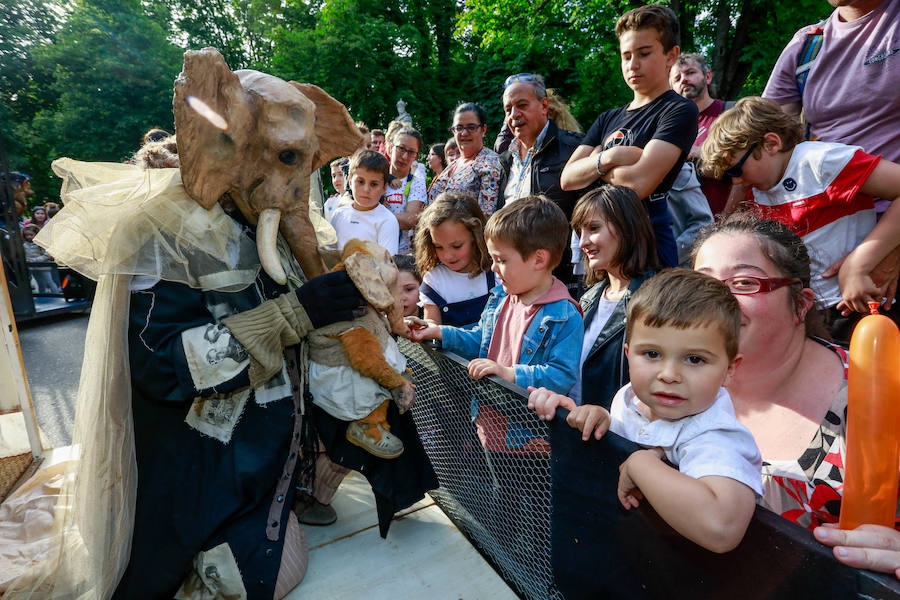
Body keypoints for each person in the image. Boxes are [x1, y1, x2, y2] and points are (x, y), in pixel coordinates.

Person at [560, 269, 762, 553]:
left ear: (729, 369)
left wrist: (640, 463)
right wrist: (602, 420)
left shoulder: (716, 435)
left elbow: (722, 528)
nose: (669, 374)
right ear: (629, 354)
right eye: (652, 354)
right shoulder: (627, 399)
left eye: (694, 359)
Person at [699, 96, 900, 343]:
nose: (736, 181)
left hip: (857, 302)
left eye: (735, 170)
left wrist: (860, 263)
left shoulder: (819, 161)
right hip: (812, 312)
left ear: (771, 143)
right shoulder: (759, 185)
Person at [560, 4, 698, 269]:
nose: (633, 65)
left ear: (671, 55)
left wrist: (594, 166)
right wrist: (612, 156)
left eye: (644, 53)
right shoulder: (608, 117)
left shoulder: (679, 109)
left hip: (646, 235)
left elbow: (638, 184)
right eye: (626, 56)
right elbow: (567, 179)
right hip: (599, 238)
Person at [410, 195, 583, 394]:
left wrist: (509, 374)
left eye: (501, 260)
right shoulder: (500, 297)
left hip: (524, 424)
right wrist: (439, 332)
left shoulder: (564, 315)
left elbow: (561, 376)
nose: (493, 267)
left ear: (539, 259)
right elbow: (480, 339)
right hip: (486, 415)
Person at [566, 185, 660, 408]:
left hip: (619, 438)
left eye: (594, 228)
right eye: (581, 232)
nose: (583, 243)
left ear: (627, 227)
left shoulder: (660, 300)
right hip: (575, 433)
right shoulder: (587, 299)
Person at [497, 72, 587, 285]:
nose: (514, 115)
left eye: (522, 105)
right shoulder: (504, 161)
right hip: (515, 279)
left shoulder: (575, 149)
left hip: (563, 280)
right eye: (508, 109)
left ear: (544, 106)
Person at [670, 52, 744, 217]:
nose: (684, 79)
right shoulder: (670, 127)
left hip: (730, 223)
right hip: (684, 229)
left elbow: (747, 173)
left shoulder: (732, 113)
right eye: (677, 78)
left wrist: (702, 153)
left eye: (690, 73)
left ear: (707, 76)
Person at [415, 192, 494, 326]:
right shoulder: (434, 281)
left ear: (476, 237)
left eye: (457, 246)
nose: (448, 255)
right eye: (438, 247)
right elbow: (432, 323)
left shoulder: (496, 272)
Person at [427, 103, 502, 216]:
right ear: (453, 131)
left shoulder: (489, 164)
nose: (464, 133)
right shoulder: (453, 165)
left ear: (483, 130)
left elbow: (486, 216)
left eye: (471, 127)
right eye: (459, 128)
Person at [330, 150, 400, 255]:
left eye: (374, 184)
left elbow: (387, 266)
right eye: (360, 182)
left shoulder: (387, 221)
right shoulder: (338, 214)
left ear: (384, 188)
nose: (366, 189)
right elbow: (330, 255)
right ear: (350, 182)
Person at [383, 126, 427, 254]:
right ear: (391, 148)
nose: (404, 156)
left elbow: (410, 219)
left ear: (416, 157)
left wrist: (374, 214)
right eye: (401, 148)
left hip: (402, 256)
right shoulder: (375, 177)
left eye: (411, 152)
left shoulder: (416, 183)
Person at [323, 157, 349, 223]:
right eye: (334, 176)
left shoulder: (359, 203)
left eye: (341, 174)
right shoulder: (330, 202)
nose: (336, 180)